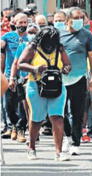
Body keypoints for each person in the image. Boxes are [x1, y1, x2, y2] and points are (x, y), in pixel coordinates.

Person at [15, 27, 72, 161]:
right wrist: (34, 69)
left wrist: (66, 68)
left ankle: (58, 152)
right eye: (48, 41)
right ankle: (32, 148)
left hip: (57, 86)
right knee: (36, 119)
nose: (50, 45)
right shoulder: (32, 48)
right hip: (36, 86)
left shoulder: (60, 48)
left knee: (57, 117)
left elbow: (68, 64)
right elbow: (20, 64)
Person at [57, 8, 92, 156]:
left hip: (79, 78)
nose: (80, 20)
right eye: (76, 17)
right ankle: (67, 136)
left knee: (77, 112)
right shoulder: (58, 35)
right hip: (60, 80)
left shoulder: (87, 36)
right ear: (68, 20)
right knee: (60, 112)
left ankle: (76, 142)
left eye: (82, 17)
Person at [1, 13, 29, 143]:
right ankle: (12, 125)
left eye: (25, 22)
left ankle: (21, 128)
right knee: (9, 104)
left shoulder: (31, 38)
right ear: (15, 23)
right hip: (9, 75)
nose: (22, 25)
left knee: (23, 104)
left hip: (25, 76)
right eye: (20, 22)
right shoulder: (8, 37)